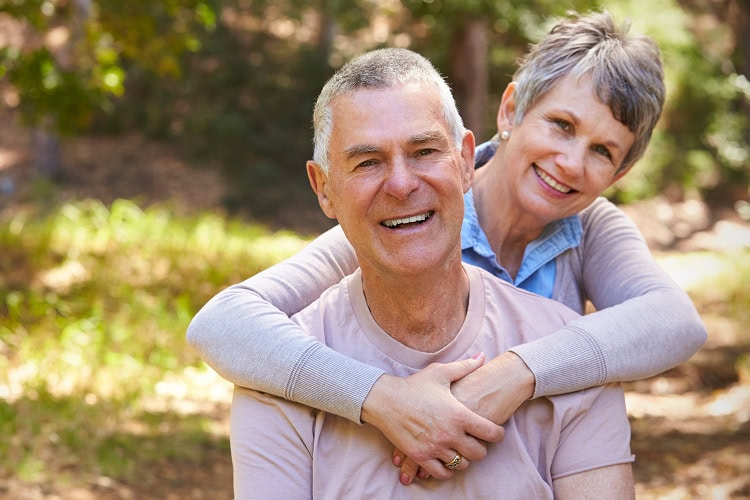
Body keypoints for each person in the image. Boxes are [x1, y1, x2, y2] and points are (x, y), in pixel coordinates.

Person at [188, 10, 707, 484]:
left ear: (623, 171)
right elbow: (225, 323)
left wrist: (515, 374)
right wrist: (382, 398)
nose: (570, 162)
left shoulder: (592, 230)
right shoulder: (413, 216)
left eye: (602, 151)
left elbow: (676, 323)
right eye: (561, 125)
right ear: (510, 111)